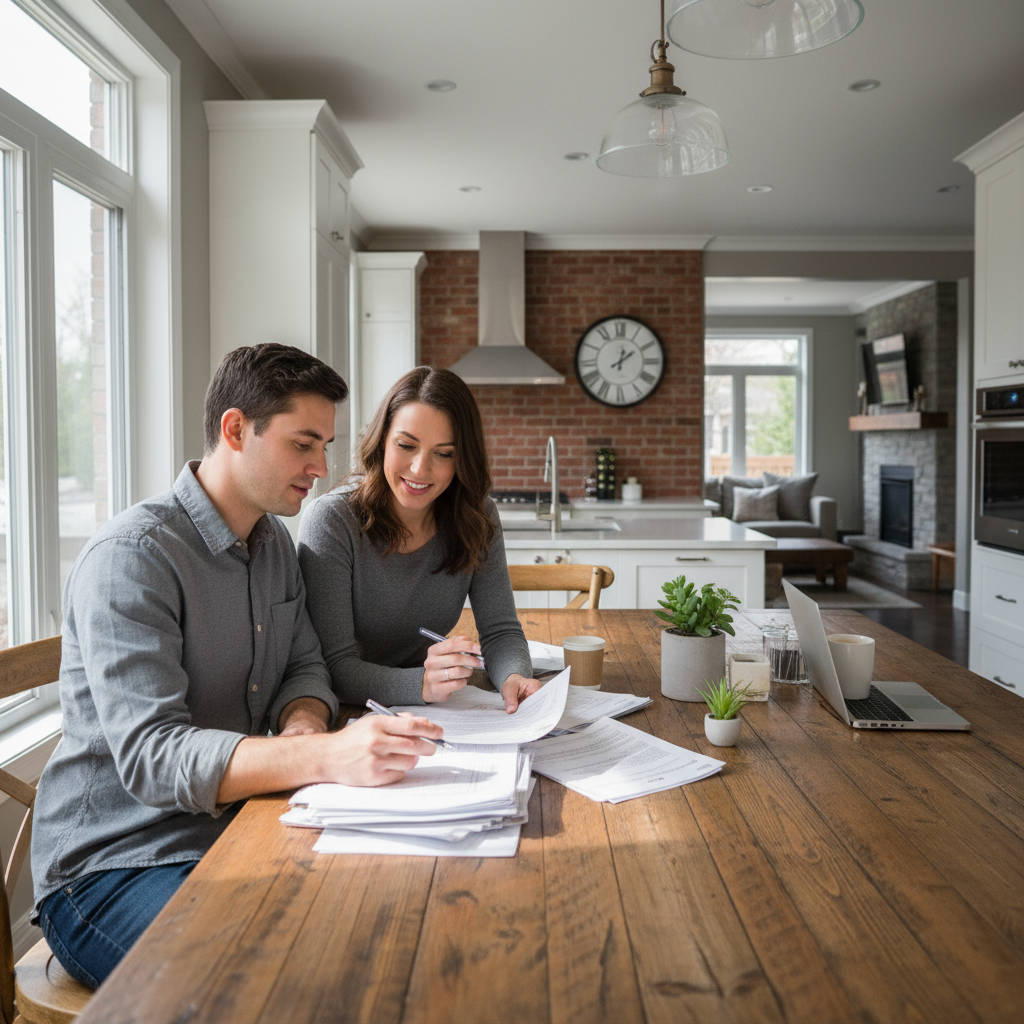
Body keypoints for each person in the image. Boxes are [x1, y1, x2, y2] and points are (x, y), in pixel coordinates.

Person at [31, 344, 444, 989]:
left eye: (326, 446)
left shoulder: (274, 543)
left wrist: (305, 726)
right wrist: (324, 757)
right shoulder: (133, 559)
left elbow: (306, 667)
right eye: (304, 444)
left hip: (240, 825)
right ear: (234, 429)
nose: (321, 468)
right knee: (270, 980)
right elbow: (153, 757)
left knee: (391, 926)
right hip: (116, 867)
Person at [298, 366, 541, 712]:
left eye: (443, 454)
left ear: (462, 460)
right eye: (406, 445)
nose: (419, 469)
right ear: (382, 441)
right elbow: (331, 667)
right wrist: (422, 684)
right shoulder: (332, 522)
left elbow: (500, 631)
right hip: (349, 712)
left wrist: (513, 677)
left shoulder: (476, 514)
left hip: (434, 708)